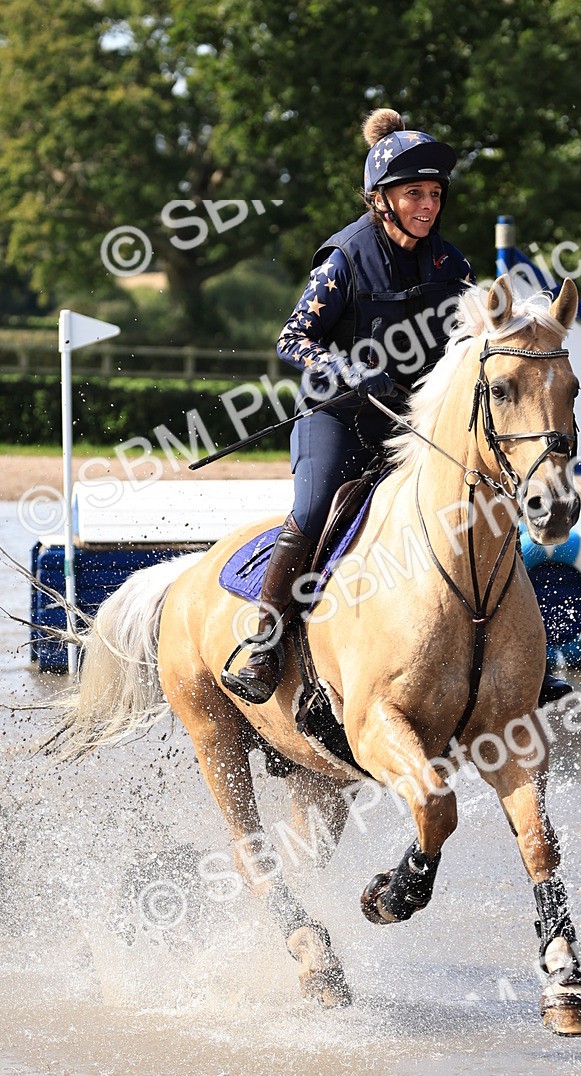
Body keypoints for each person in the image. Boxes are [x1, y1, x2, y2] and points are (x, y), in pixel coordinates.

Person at [222, 107, 473, 704]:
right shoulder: (344, 258)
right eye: (414, 194)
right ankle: (264, 644)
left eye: (434, 194)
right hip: (336, 416)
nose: (428, 206)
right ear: (381, 200)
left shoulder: (453, 265)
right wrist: (350, 371)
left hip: (411, 423)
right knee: (314, 509)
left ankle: (516, 650)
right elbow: (292, 339)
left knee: (480, 500)